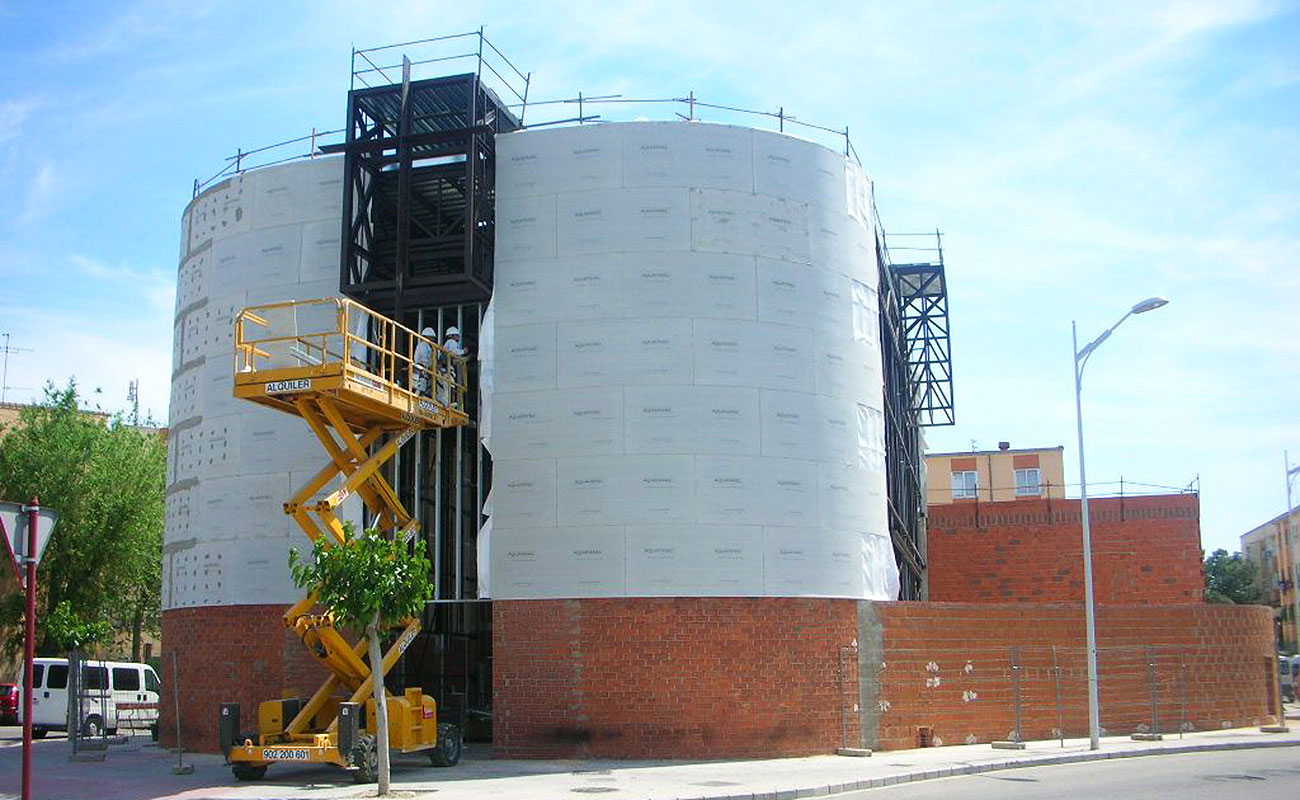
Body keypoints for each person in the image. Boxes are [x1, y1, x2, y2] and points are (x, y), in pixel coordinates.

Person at [414, 327, 435, 397]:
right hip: (420, 367)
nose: (433, 340)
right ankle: (418, 397)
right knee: (420, 386)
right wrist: (431, 366)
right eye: (432, 338)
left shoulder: (426, 346)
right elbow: (424, 358)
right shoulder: (423, 345)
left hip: (423, 368)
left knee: (424, 385)